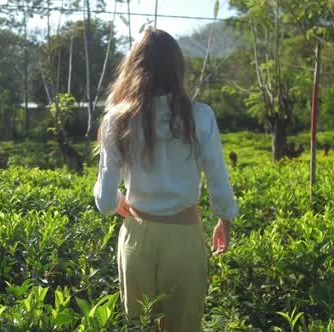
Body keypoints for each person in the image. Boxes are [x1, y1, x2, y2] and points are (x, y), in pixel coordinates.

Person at [93, 29, 238, 332]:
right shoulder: (200, 116)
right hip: (184, 235)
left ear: (134, 66)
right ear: (177, 68)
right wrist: (224, 219)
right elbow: (218, 180)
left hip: (136, 236)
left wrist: (119, 201)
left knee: (140, 325)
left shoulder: (116, 119)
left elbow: (105, 202)